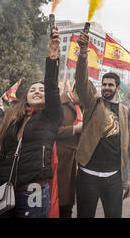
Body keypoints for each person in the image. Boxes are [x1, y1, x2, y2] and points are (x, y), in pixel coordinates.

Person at [0, 29, 62, 218]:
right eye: (32, 89)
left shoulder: (51, 116)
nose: (37, 91)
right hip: (3, 192)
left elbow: (52, 87)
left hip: (33, 191)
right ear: (25, 97)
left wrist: (52, 55)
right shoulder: (13, 120)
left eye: (41, 90)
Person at [74, 30, 130, 218]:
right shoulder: (92, 103)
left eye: (110, 85)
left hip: (113, 178)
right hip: (88, 176)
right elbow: (81, 81)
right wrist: (83, 53)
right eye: (104, 84)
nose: (106, 88)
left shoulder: (126, 113)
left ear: (117, 89)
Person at [56, 86, 83, 218]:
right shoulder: (59, 103)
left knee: (68, 203)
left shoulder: (79, 105)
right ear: (75, 92)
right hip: (60, 159)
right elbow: (53, 131)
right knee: (60, 201)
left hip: (73, 159)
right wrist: (75, 129)